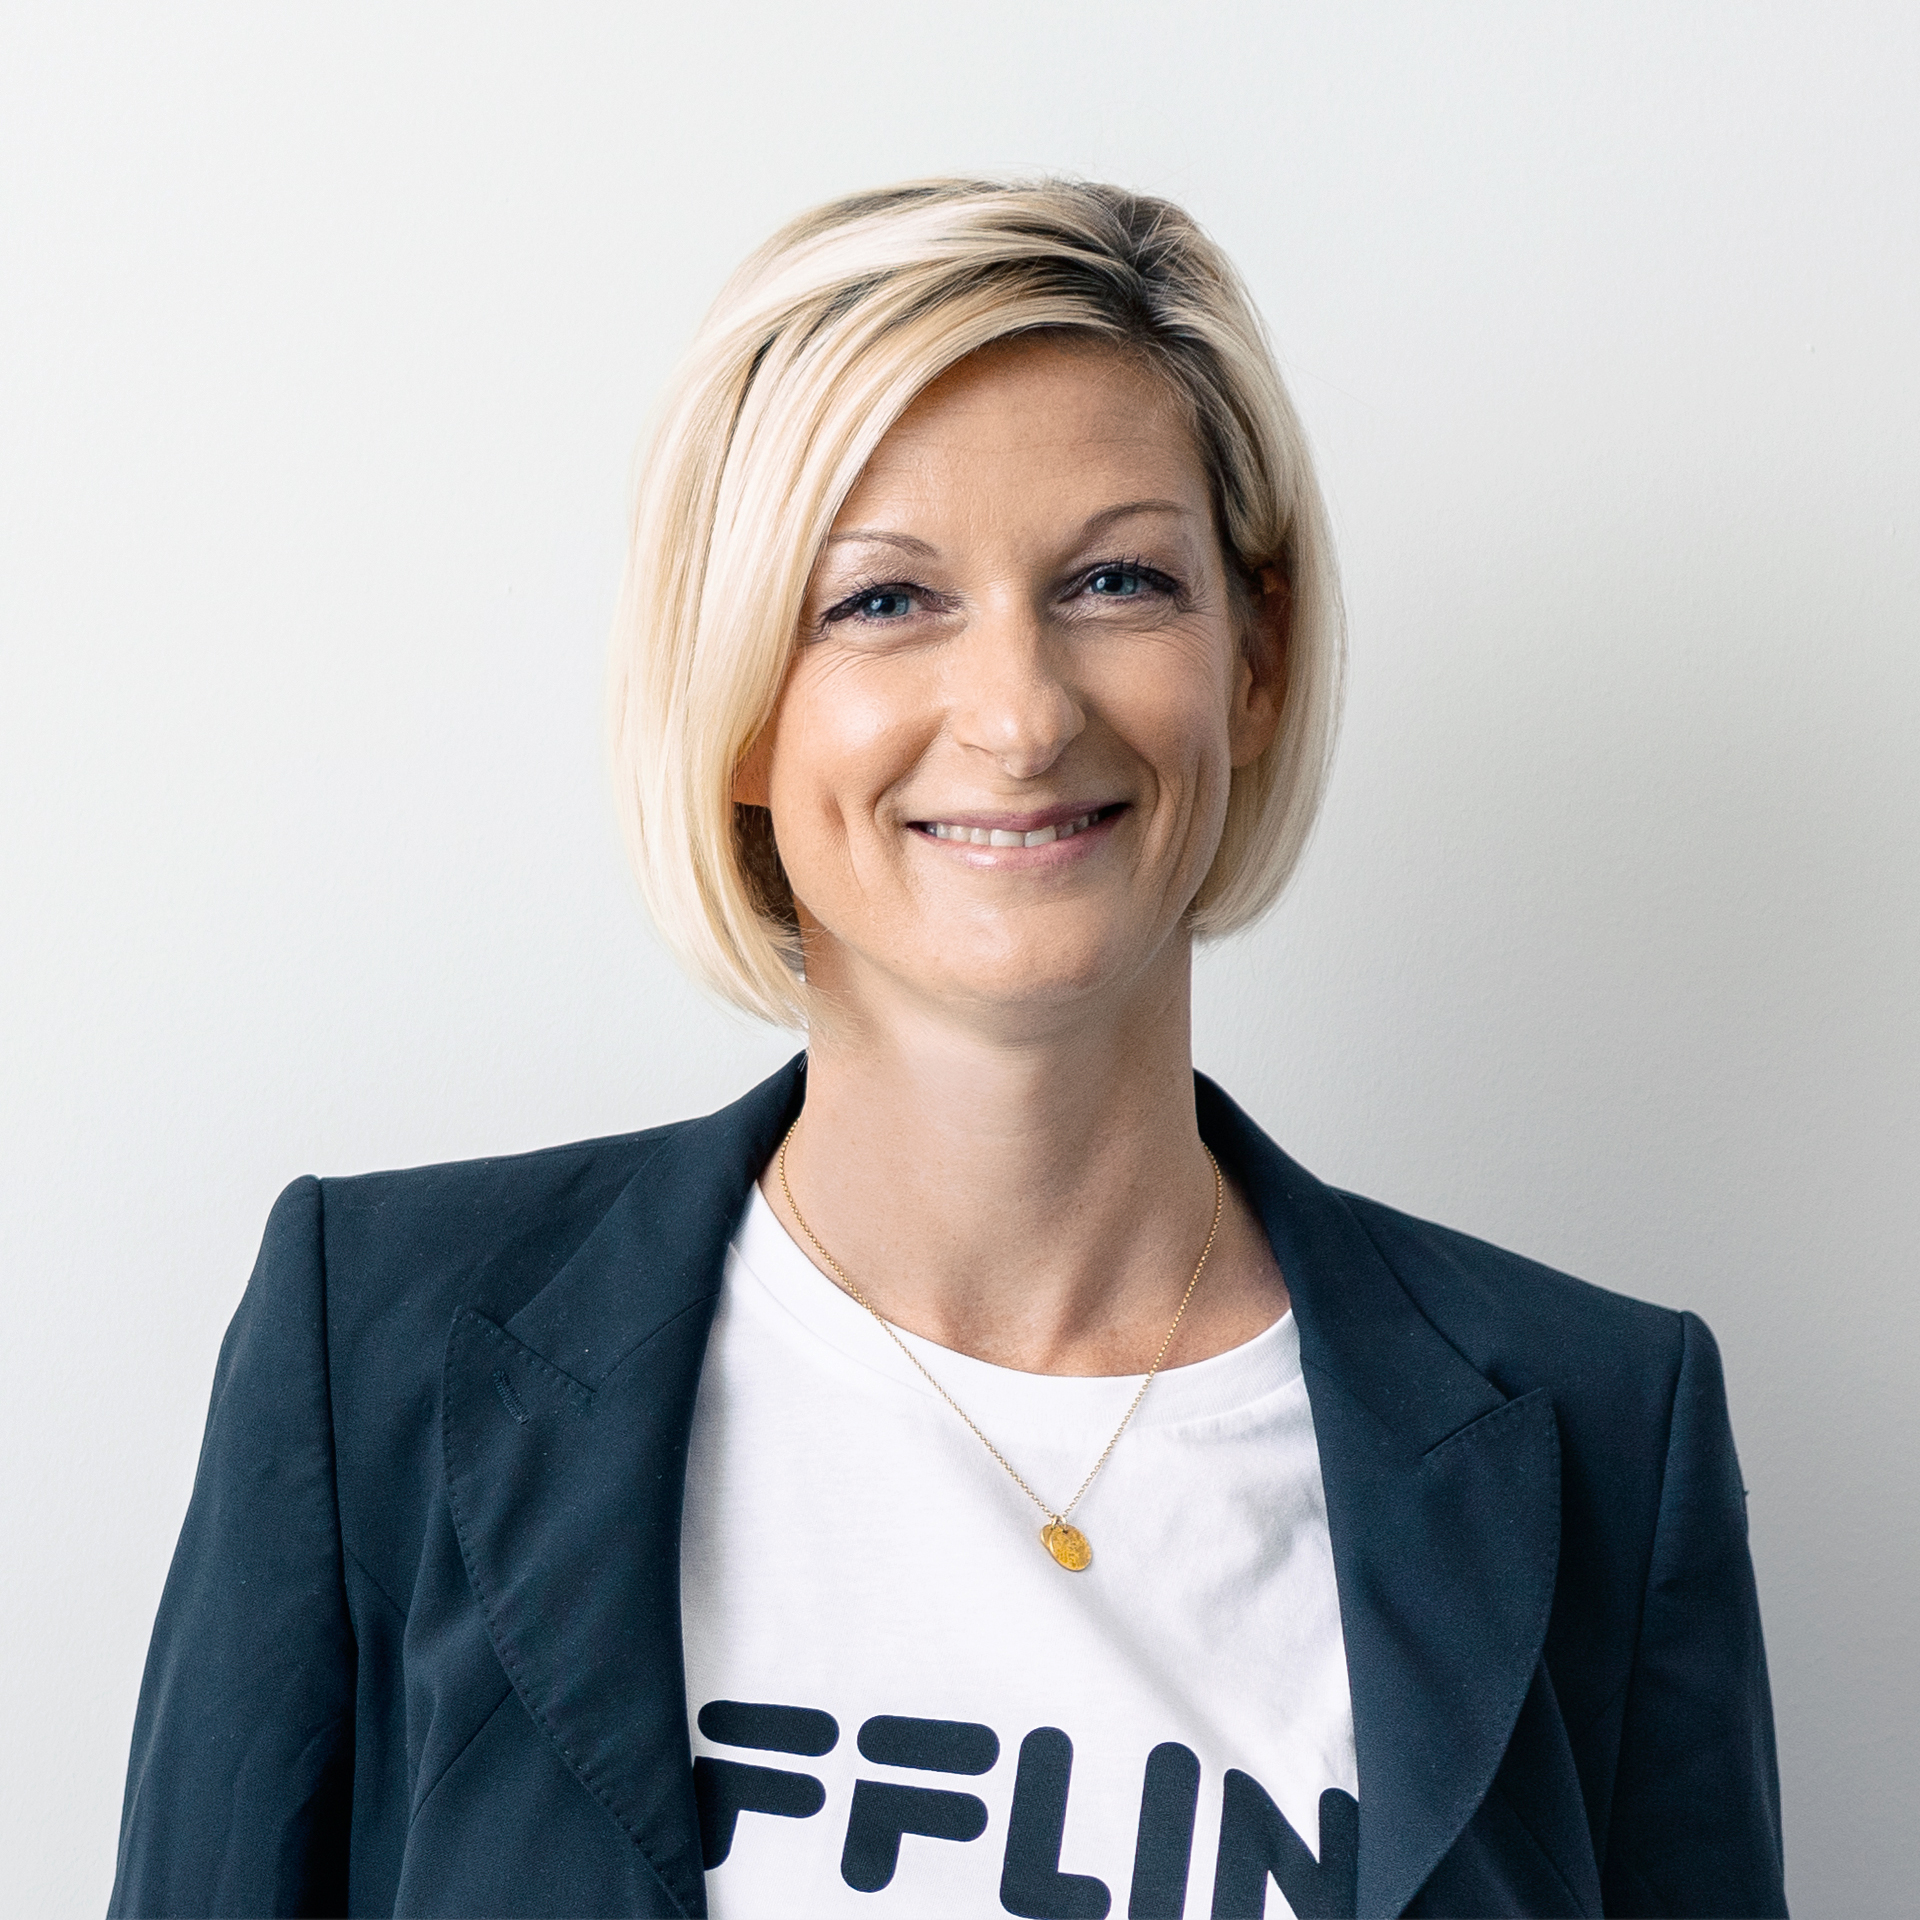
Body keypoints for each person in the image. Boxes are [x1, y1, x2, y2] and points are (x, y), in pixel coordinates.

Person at [109, 178, 1785, 1919]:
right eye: (883, 602)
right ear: (735, 698)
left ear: (1255, 661)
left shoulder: (1603, 1430)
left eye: (1119, 581)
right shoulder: (373, 1346)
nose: (1021, 714)